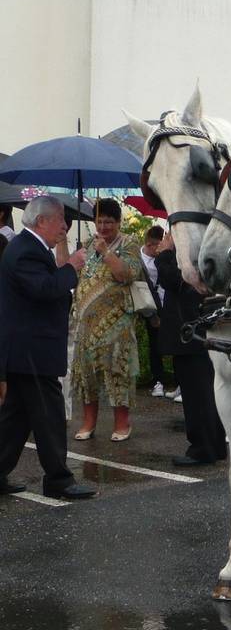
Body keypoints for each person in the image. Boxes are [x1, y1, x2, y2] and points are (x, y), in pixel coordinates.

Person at [0, 196, 95, 499]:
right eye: (60, 220)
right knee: (49, 416)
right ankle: (58, 480)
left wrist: (65, 269)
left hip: (26, 350)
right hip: (32, 351)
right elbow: (43, 290)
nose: (64, 227)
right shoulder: (26, 251)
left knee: (16, 419)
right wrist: (70, 268)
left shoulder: (29, 248)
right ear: (42, 221)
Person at [71, 198, 142, 442]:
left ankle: (122, 423)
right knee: (86, 375)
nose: (103, 227)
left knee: (117, 373)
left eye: (109, 222)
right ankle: (89, 422)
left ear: (118, 222)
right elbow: (70, 272)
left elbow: (126, 274)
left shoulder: (130, 243)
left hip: (116, 324)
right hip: (85, 325)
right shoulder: (87, 244)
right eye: (99, 221)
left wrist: (106, 252)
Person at [155, 234, 227, 466]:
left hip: (190, 331)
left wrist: (165, 253)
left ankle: (202, 448)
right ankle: (214, 444)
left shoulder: (190, 253)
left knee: (198, 395)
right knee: (205, 391)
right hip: (196, 331)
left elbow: (172, 280)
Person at [139, 225, 168, 397]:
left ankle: (178, 382)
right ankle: (158, 380)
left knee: (172, 343)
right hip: (150, 305)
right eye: (155, 245)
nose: (158, 248)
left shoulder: (163, 256)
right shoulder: (139, 257)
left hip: (167, 303)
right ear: (149, 244)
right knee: (155, 345)